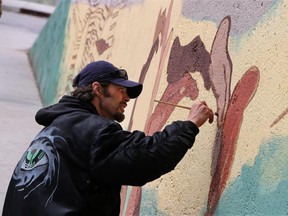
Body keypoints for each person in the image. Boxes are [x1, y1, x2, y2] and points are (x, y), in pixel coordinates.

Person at [2, 60, 214, 216]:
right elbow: (145, 158)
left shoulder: (53, 129)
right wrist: (190, 124)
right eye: (121, 89)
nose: (127, 98)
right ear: (98, 89)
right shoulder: (95, 131)